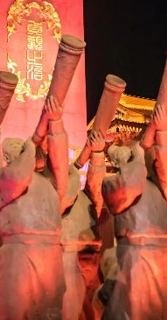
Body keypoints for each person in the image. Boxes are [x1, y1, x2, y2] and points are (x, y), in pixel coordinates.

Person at [0, 95, 68, 320]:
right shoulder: (1, 179)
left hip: (50, 256)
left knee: (49, 313)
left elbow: (60, 165)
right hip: (19, 257)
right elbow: (18, 176)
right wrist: (23, 149)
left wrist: (56, 123)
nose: (21, 148)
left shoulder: (47, 183)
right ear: (7, 157)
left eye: (22, 146)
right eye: (15, 147)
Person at [101, 104, 167, 320]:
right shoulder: (112, 185)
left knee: (160, 311)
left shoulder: (155, 185)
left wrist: (163, 132)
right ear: (117, 163)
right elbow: (129, 184)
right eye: (125, 156)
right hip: (137, 257)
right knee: (132, 311)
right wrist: (137, 162)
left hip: (163, 257)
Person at [60, 130, 106, 320]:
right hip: (65, 261)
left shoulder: (86, 198)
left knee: (91, 309)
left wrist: (97, 154)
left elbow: (96, 183)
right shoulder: (53, 201)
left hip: (90, 258)